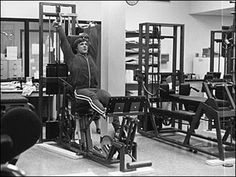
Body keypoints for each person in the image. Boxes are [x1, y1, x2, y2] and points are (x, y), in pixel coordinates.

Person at [52, 20, 120, 135]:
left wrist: (92, 28)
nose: (84, 46)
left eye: (85, 44)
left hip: (94, 88)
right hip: (79, 90)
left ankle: (118, 129)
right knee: (92, 96)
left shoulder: (91, 57)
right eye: (81, 44)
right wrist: (59, 28)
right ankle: (105, 115)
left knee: (107, 96)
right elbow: (64, 42)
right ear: (76, 48)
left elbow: (94, 42)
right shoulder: (72, 58)